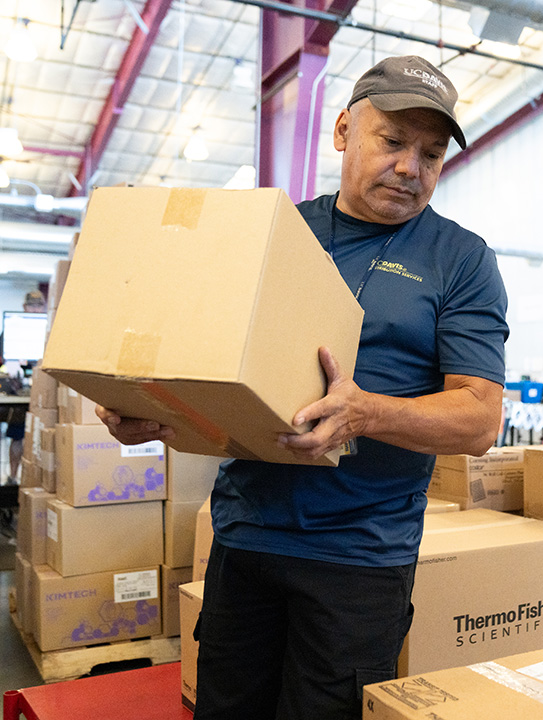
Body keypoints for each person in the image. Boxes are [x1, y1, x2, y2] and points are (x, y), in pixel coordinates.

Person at [98, 55, 508, 719]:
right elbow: (210, 366)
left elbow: (479, 419)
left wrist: (361, 414)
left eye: (432, 153)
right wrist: (148, 409)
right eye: (394, 141)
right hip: (246, 540)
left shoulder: (460, 260)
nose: (411, 167)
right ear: (344, 129)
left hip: (359, 560)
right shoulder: (278, 234)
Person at [0, 290, 46, 482]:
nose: (35, 310)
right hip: (19, 393)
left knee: (45, 436)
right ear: (24, 307)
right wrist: (8, 364)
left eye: (38, 306)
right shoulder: (11, 330)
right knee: (17, 435)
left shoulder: (48, 331)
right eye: (32, 306)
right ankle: (13, 477)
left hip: (44, 392)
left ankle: (38, 479)